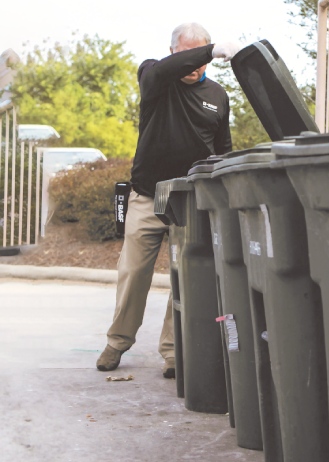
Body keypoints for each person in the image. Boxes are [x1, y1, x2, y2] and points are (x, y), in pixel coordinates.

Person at [96, 23, 240, 378]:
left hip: (191, 202)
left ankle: (174, 352)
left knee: (185, 279)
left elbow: (223, 148)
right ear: (174, 51)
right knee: (133, 273)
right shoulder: (155, 77)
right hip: (147, 197)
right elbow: (162, 69)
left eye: (204, 55)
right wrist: (211, 49)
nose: (196, 64)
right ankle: (117, 342)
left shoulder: (219, 95)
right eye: (189, 54)